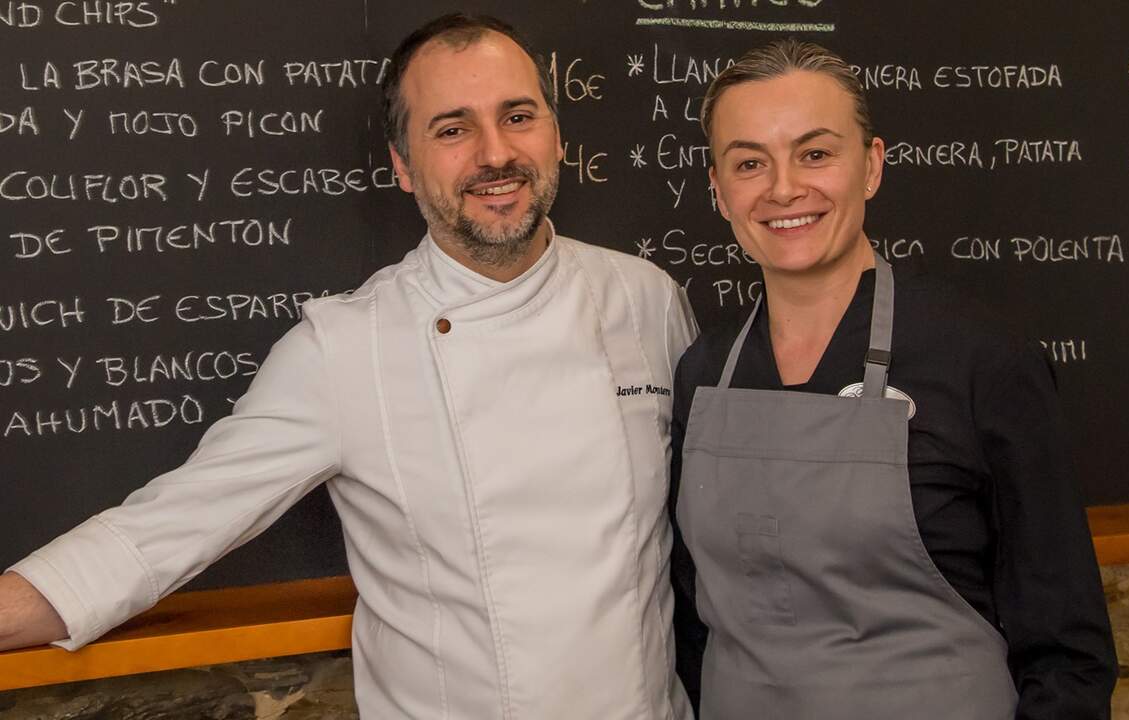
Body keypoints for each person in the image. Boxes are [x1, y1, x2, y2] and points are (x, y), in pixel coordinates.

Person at [0, 14, 697, 720]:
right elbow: (168, 528)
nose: (496, 153)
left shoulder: (647, 299)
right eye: (452, 130)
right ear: (402, 165)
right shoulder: (344, 348)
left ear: (555, 135)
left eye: (518, 116)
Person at [669, 39, 1117, 719]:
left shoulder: (980, 358)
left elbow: (1066, 652)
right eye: (750, 163)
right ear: (718, 191)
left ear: (872, 167)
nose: (784, 187)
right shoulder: (703, 372)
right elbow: (692, 621)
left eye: (816, 153)